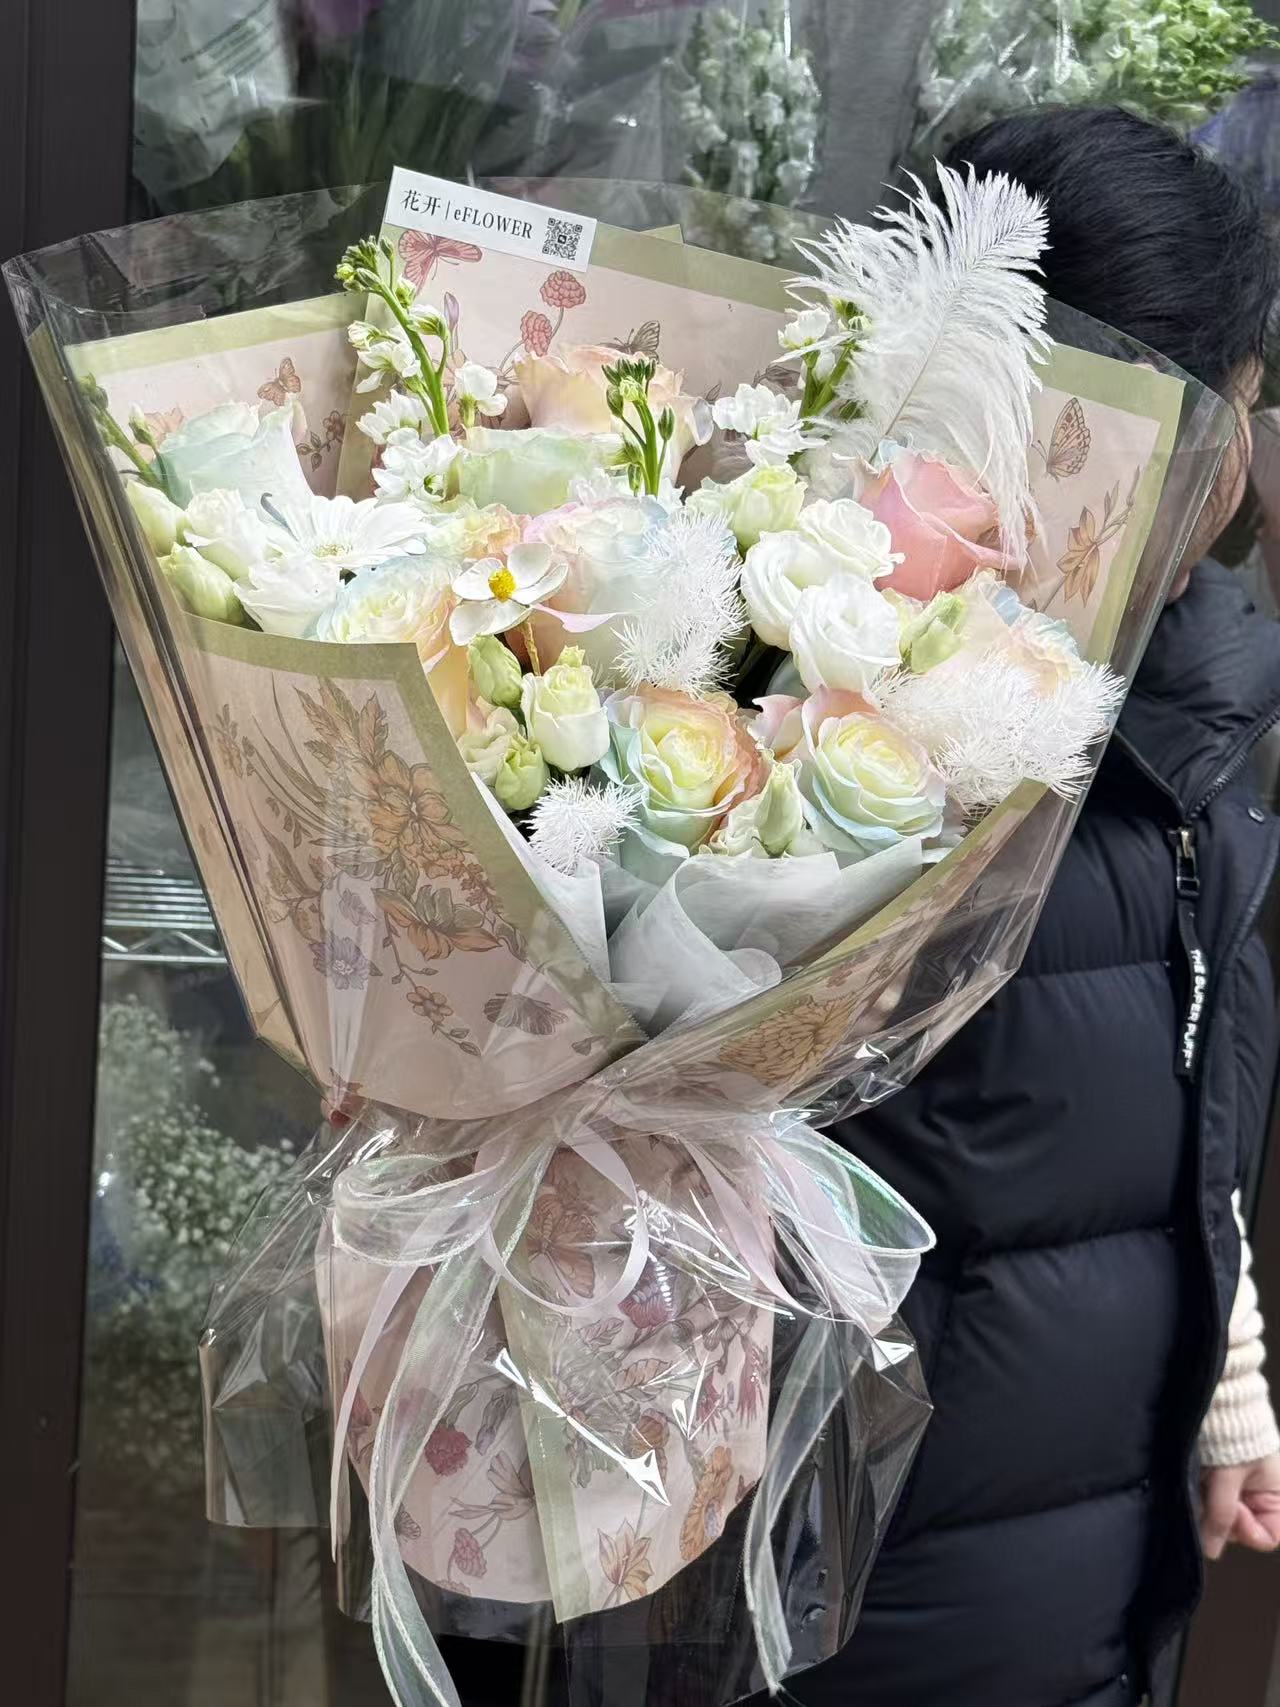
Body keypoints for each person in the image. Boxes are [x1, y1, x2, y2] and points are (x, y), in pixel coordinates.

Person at [796, 106, 1280, 1707]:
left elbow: (1161, 1114)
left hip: (1072, 1559)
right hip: (853, 1587)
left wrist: (1225, 1369)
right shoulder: (808, 703)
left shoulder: (1188, 728)